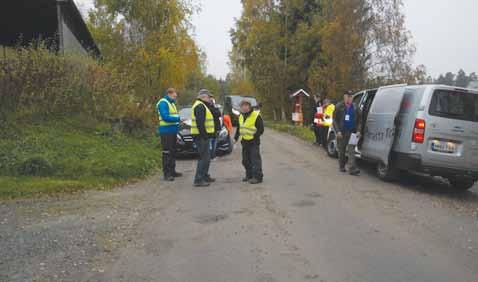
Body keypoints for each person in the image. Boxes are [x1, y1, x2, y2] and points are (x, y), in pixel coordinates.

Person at [234, 100, 264, 184]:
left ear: (249, 106)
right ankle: (249, 175)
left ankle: (258, 177)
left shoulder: (256, 115)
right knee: (245, 160)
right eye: (242, 106)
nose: (243, 107)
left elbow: (261, 129)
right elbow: (239, 128)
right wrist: (236, 138)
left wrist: (255, 137)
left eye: (245, 106)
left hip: (254, 142)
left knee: (255, 160)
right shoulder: (241, 116)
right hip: (245, 141)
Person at [191, 89, 216, 187]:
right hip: (201, 136)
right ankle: (198, 179)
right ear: (203, 97)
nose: (210, 99)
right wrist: (205, 135)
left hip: (202, 136)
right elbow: (200, 123)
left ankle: (204, 176)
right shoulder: (200, 106)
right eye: (209, 97)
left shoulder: (202, 105)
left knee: (207, 157)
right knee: (203, 158)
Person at [157, 88, 182, 181]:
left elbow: (173, 116)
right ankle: (166, 174)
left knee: (173, 151)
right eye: (174, 95)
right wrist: (178, 119)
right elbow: (165, 117)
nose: (175, 97)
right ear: (169, 94)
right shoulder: (163, 103)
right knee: (167, 152)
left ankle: (172, 171)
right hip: (166, 131)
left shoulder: (172, 103)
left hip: (173, 131)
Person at [333, 91, 361, 175]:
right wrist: (337, 131)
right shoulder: (339, 106)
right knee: (342, 151)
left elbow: (360, 120)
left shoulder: (356, 107)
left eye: (351, 97)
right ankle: (342, 166)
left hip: (352, 132)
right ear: (344, 97)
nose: (350, 98)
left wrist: (359, 130)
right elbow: (334, 120)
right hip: (342, 132)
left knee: (351, 150)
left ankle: (352, 169)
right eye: (348, 96)